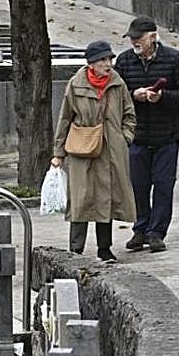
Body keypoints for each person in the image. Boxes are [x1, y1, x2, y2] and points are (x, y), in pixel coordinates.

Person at [113, 16, 179, 252]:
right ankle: (140, 229)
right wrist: (133, 95)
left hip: (166, 134)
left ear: (152, 37)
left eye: (138, 38)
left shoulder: (174, 58)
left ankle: (156, 232)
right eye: (131, 38)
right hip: (136, 135)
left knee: (163, 185)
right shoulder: (125, 61)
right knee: (138, 185)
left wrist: (163, 97)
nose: (134, 42)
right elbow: (115, 95)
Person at [51, 41, 136, 263]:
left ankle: (104, 249)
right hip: (82, 148)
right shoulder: (76, 84)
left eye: (109, 59)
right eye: (102, 60)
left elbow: (129, 115)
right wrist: (58, 153)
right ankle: (75, 249)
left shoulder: (117, 83)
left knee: (105, 198)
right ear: (91, 63)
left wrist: (124, 138)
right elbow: (65, 118)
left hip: (111, 149)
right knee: (80, 199)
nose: (108, 64)